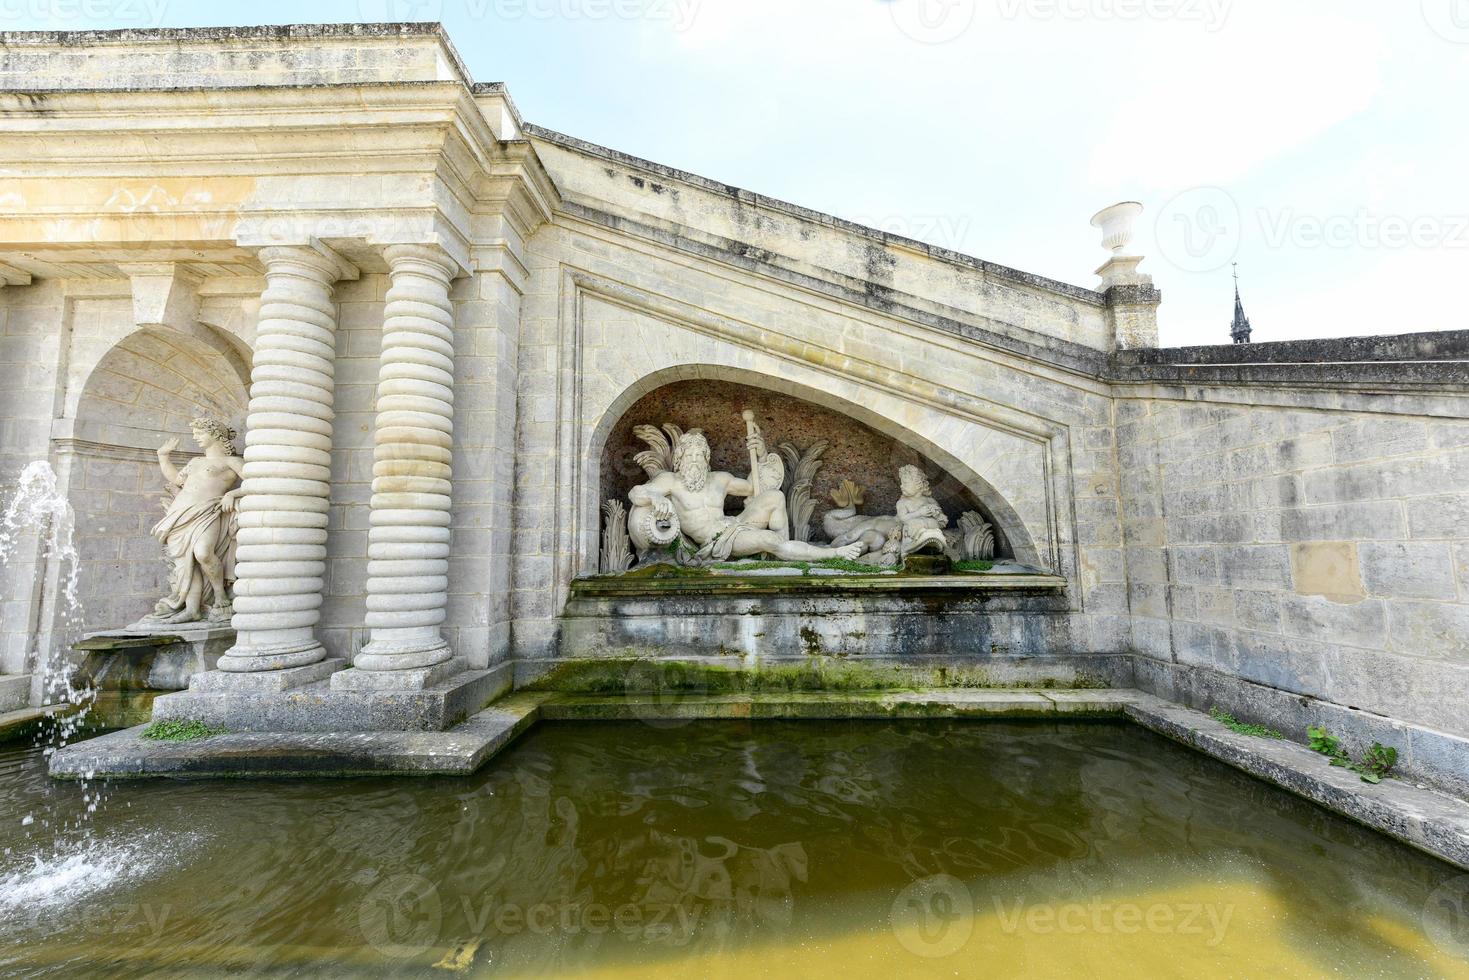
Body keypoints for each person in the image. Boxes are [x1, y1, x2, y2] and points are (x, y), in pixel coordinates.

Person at [629, 428, 863, 564]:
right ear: (679, 459)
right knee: (769, 541)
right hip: (716, 541)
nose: (694, 460)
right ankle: (831, 554)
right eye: (689, 455)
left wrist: (761, 454)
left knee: (774, 497)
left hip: (735, 524)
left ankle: (782, 552)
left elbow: (753, 488)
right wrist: (655, 497)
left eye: (699, 455)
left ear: (707, 458)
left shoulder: (719, 479)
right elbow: (636, 493)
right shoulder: (670, 482)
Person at [142, 416, 243, 625]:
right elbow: (178, 480)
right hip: (180, 513)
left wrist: (233, 494)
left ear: (215, 434)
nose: (195, 437)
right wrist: (163, 457)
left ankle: (220, 597)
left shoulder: (231, 461)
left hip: (207, 511)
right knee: (186, 563)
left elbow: (259, 482)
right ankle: (192, 609)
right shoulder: (195, 461)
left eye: (200, 433)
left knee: (203, 553)